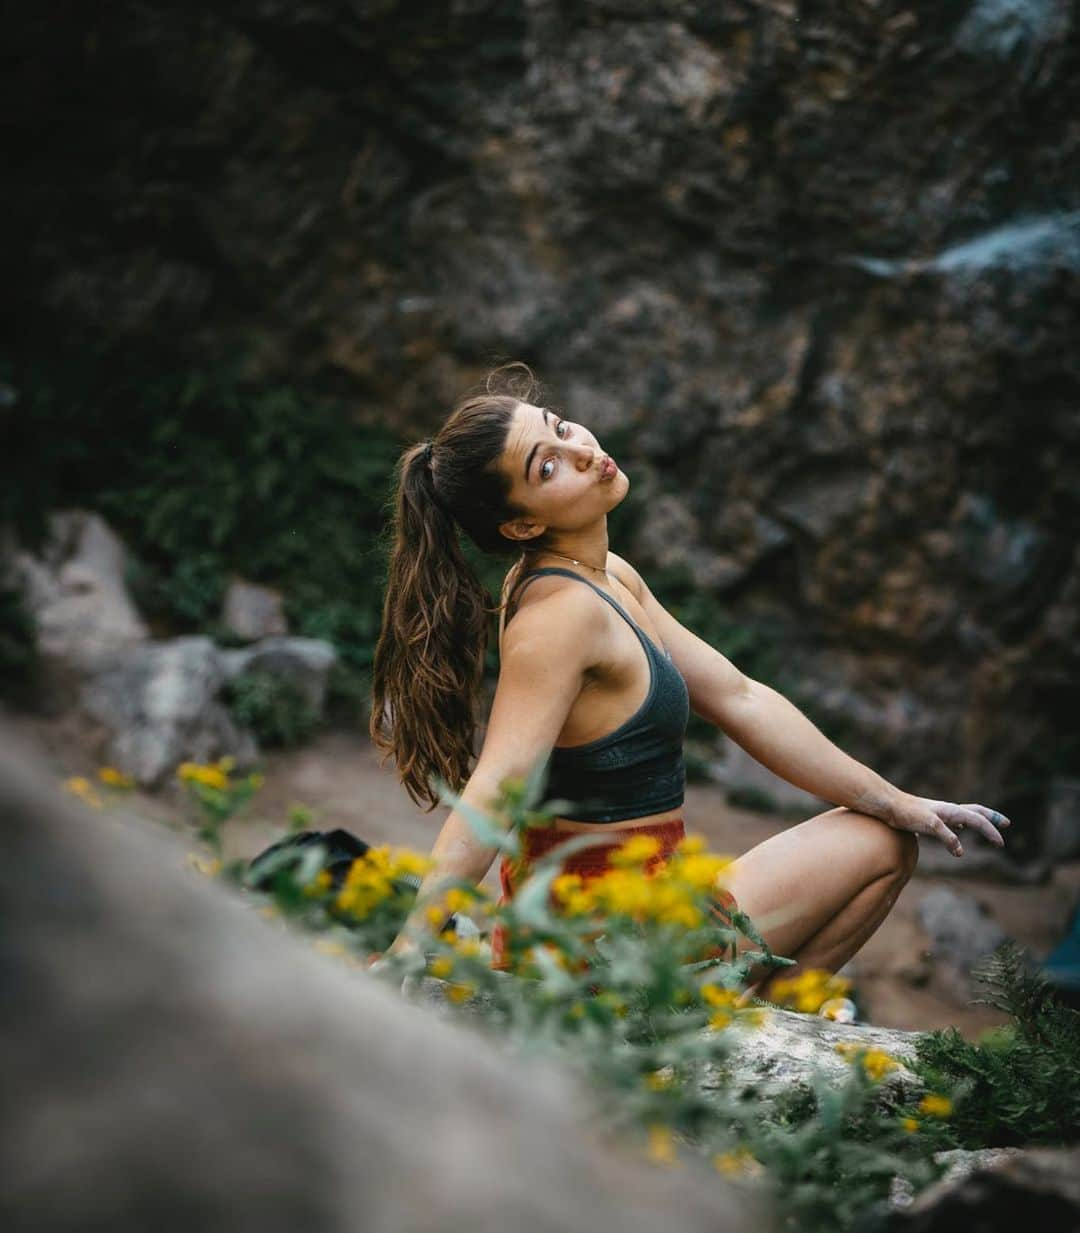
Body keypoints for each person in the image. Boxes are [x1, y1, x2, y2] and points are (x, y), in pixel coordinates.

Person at [369, 362, 1012, 992]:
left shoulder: (607, 575)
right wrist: (410, 946)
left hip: (655, 907)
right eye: (547, 465)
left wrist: (901, 801)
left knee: (888, 831)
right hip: (605, 945)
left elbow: (738, 696)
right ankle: (734, 1042)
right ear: (523, 525)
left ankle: (743, 1036)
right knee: (881, 846)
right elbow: (494, 791)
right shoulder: (558, 617)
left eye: (561, 428)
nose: (582, 450)